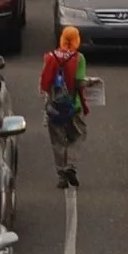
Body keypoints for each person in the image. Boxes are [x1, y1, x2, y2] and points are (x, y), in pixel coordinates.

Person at [39, 26, 89, 189]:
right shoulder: (79, 58)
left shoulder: (50, 57)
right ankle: (71, 166)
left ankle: (61, 176)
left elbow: (45, 84)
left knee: (58, 141)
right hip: (73, 107)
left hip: (55, 107)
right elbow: (79, 84)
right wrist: (85, 104)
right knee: (78, 135)